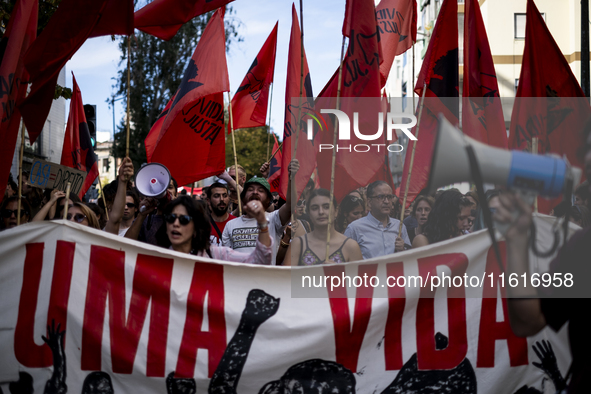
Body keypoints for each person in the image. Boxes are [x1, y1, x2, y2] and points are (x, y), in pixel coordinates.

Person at [222, 160, 299, 265]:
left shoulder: (274, 218)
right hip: (238, 279)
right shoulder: (230, 225)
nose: (255, 192)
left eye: (261, 191)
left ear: (268, 200)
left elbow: (291, 205)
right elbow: (225, 259)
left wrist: (292, 178)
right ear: (243, 198)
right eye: (250, 189)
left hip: (265, 280)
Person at [165, 195, 272, 265]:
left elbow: (259, 262)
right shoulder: (159, 259)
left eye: (184, 219)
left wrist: (262, 223)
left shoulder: (216, 255)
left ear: (196, 227)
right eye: (171, 218)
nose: (175, 224)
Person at [284, 189, 362, 266]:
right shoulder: (298, 244)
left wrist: (338, 272)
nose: (321, 212)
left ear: (336, 211)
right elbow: (285, 278)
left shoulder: (350, 246)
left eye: (326, 207)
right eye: (315, 208)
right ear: (309, 213)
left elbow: (360, 278)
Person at [344, 180, 411, 259]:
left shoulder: (399, 226)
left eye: (389, 197)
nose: (386, 201)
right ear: (369, 202)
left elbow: (409, 259)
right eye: (381, 197)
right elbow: (346, 260)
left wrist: (403, 249)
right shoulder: (354, 228)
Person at [104, 157, 135, 235]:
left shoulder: (137, 231)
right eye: (69, 216)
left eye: (130, 205)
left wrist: (123, 182)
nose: (125, 207)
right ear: (108, 204)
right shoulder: (102, 231)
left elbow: (116, 218)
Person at [206, 181, 236, 246]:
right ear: (208, 201)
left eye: (225, 196)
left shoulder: (237, 223)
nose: (222, 199)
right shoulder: (202, 224)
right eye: (217, 196)